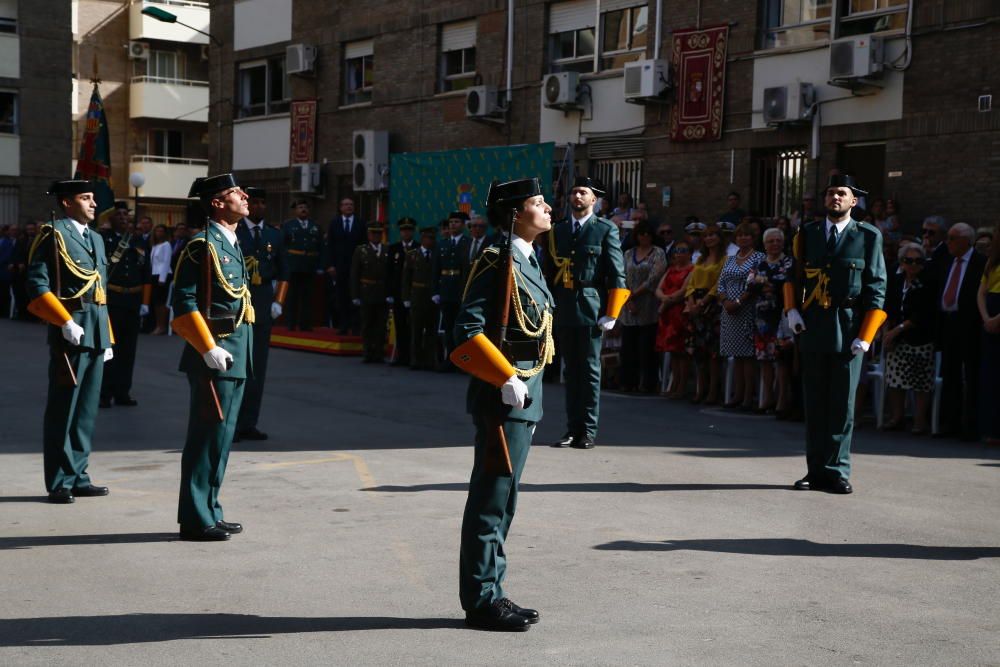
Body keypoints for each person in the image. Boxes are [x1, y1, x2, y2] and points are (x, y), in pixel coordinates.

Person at [450, 177, 554, 632]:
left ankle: (493, 590)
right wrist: (505, 376)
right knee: (490, 500)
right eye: (537, 202)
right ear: (514, 214)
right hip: (504, 394)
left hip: (526, 393)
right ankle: (480, 600)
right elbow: (467, 329)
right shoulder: (497, 258)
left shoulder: (529, 258)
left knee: (505, 500)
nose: (547, 207)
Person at [785, 174, 888, 494]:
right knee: (814, 402)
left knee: (842, 404)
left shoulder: (868, 236)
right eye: (830, 193)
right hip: (814, 324)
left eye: (842, 194)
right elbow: (794, 276)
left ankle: (837, 470)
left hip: (848, 325)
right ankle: (814, 470)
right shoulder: (808, 233)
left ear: (853, 201)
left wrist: (867, 334)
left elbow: (876, 286)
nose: (835, 198)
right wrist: (792, 311)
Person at [171, 174, 254, 541]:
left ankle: (211, 510)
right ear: (218, 203)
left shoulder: (231, 241)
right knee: (205, 437)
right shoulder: (201, 245)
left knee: (221, 438)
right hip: (214, 353)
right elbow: (183, 303)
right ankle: (194, 518)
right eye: (237, 193)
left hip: (235, 352)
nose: (245, 197)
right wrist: (207, 347)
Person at [25, 180, 114, 504]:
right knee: (64, 409)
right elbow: (37, 282)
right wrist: (63, 321)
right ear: (66, 202)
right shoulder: (53, 233)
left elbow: (101, 292)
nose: (93, 203)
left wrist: (108, 338)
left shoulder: (96, 239)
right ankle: (59, 480)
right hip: (70, 331)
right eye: (85, 198)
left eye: (93, 198)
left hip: (94, 332)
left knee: (86, 410)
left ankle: (78, 474)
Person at [544, 176, 628, 449]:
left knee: (590, 370)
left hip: (592, 306)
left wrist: (612, 312)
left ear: (594, 199)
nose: (577, 197)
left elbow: (617, 272)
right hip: (564, 304)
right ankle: (571, 429)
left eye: (583, 193)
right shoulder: (557, 231)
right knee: (571, 370)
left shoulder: (604, 229)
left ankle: (588, 431)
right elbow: (548, 271)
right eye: (574, 192)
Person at [234, 187, 289, 442]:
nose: (258, 207)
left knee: (258, 365)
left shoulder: (274, 235)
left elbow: (284, 272)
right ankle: (231, 424)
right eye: (254, 202)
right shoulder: (235, 231)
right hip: (239, 300)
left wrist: (278, 301)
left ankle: (248, 422)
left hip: (264, 298)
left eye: (262, 203)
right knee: (236, 364)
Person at [936, 222, 987, 441]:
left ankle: (972, 425)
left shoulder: (980, 263)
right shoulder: (946, 261)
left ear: (967, 240)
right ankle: (950, 423)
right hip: (949, 322)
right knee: (950, 373)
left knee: (972, 374)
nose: (948, 242)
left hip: (970, 324)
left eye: (953, 238)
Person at [99, 201, 152, 408]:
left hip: (132, 301)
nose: (123, 217)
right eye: (118, 214)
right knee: (109, 349)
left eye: (125, 214)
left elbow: (146, 273)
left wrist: (145, 302)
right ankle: (105, 392)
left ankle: (123, 391)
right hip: (112, 300)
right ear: (110, 218)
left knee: (128, 351)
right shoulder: (104, 239)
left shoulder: (138, 240)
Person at [882, 242, 937, 434]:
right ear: (901, 262)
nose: (913, 265)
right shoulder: (897, 282)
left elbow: (922, 313)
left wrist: (897, 329)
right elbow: (889, 307)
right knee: (895, 379)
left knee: (920, 381)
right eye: (908, 261)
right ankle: (897, 417)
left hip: (920, 337)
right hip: (898, 339)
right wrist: (887, 332)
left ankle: (919, 421)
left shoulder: (927, 282)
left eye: (917, 261)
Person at [718, 222, 765, 409]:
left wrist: (738, 301)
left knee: (747, 355)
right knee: (735, 355)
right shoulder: (730, 258)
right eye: (740, 235)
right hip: (728, 311)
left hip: (747, 308)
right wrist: (725, 301)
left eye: (747, 235)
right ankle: (736, 394)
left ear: (753, 238)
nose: (743, 238)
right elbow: (721, 282)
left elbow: (755, 284)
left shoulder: (758, 258)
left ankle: (747, 396)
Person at [618, 220, 667, 393]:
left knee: (647, 349)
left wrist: (635, 294)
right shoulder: (628, 253)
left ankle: (648, 383)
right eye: (641, 233)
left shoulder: (658, 253)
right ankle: (627, 381)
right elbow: (620, 276)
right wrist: (628, 299)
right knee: (628, 348)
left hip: (648, 306)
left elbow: (654, 277)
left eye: (647, 233)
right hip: (628, 306)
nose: (644, 236)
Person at [750, 228, 795, 415]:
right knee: (765, 360)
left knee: (781, 360)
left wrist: (766, 283)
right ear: (765, 244)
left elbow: (784, 282)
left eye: (778, 240)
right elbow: (751, 283)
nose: (775, 244)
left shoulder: (788, 262)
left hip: (781, 316)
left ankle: (781, 400)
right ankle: (766, 398)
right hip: (762, 317)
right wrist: (767, 283)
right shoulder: (759, 262)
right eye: (771, 241)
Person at [684, 224, 727, 404]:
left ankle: (713, 391)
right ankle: (700, 389)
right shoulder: (700, 260)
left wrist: (705, 300)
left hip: (712, 306)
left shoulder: (725, 260)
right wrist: (692, 300)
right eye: (707, 235)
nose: (710, 238)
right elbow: (691, 283)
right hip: (696, 305)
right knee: (699, 351)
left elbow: (720, 283)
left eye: (713, 235)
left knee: (713, 352)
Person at [655, 242, 694, 398]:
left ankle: (681, 386)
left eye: (683, 251)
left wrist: (667, 301)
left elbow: (684, 289)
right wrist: (663, 298)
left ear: (690, 253)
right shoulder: (670, 270)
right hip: (667, 313)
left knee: (681, 351)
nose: (679, 254)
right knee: (672, 351)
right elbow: (659, 288)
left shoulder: (692, 269)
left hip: (679, 311)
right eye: (677, 251)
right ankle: (673, 383)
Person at [433, 211, 471, 370]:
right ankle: (451, 360)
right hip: (446, 289)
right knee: (448, 328)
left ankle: (463, 361)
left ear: (463, 225)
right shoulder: (442, 244)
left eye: (456, 222)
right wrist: (435, 291)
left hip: (461, 289)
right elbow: (435, 269)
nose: (453, 225)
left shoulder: (468, 243)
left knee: (462, 327)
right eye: (451, 222)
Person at [351, 222, 391, 363]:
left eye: (379, 233)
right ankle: (368, 352)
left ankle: (379, 352)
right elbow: (355, 274)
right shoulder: (361, 250)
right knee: (367, 324)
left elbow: (390, 274)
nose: (376, 236)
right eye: (373, 233)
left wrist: (390, 293)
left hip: (382, 291)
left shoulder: (387, 249)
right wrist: (355, 295)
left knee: (381, 324)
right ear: (368, 235)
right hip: (366, 291)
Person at [325, 197, 367, 334]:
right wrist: (330, 264)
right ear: (341, 208)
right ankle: (343, 325)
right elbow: (330, 245)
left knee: (355, 296)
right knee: (341, 297)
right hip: (339, 266)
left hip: (356, 267)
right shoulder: (335, 223)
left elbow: (364, 245)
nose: (349, 206)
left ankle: (355, 326)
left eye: (351, 204)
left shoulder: (360, 223)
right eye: (346, 204)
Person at [401, 225, 439, 370]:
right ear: (422, 239)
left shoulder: (436, 254)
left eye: (432, 238)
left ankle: (429, 360)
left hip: (431, 295)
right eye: (427, 238)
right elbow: (406, 278)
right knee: (416, 329)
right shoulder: (412, 254)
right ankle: (415, 359)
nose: (430, 241)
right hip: (417, 294)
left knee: (431, 329)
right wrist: (406, 297)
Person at [282, 199, 323, 331]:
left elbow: (321, 247)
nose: (303, 209)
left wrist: (320, 266)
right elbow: (282, 246)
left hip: (309, 265)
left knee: (308, 297)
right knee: (292, 296)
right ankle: (291, 323)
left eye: (305, 207)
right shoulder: (288, 225)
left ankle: (305, 324)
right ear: (296, 210)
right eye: (300, 207)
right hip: (293, 265)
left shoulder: (315, 226)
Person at [976, 230, 1000, 444]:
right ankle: (991, 429)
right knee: (991, 375)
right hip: (990, 316)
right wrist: (986, 317)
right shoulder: (992, 263)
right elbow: (981, 292)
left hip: (997, 317)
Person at [387, 217, 418, 366]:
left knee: (414, 326)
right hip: (398, 293)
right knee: (400, 325)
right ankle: (402, 356)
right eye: (403, 230)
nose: (406, 233)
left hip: (415, 293)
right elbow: (389, 274)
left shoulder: (418, 247)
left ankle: (414, 357)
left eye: (409, 230)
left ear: (413, 232)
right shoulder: (394, 249)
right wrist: (389, 294)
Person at [149, 224, 172, 335]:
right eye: (157, 231)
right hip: (154, 274)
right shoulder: (155, 245)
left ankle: (162, 326)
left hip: (163, 275)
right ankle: (158, 325)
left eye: (161, 231)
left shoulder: (166, 244)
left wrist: (162, 278)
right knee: (156, 302)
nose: (159, 233)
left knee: (161, 302)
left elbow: (166, 262)